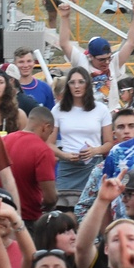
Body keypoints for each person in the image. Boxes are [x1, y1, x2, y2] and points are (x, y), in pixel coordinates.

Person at [57, 0, 134, 110]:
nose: (107, 62)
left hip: (110, 113)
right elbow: (64, 44)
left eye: (109, 58)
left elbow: (131, 43)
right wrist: (65, 18)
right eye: (102, 60)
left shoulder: (114, 63)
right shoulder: (81, 61)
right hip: (87, 113)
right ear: (91, 56)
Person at [48, 67, 114, 195]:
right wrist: (64, 155)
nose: (76, 86)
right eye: (72, 82)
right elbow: (49, 143)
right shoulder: (58, 110)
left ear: (88, 84)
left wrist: (94, 150)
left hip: (93, 164)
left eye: (81, 82)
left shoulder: (101, 109)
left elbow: (109, 143)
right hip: (67, 166)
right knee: (64, 205)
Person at [2, 106, 58, 223]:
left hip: (3, 212)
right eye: (50, 132)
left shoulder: (4, 140)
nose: (48, 137)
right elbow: (50, 198)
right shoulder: (43, 151)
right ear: (46, 127)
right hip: (29, 217)